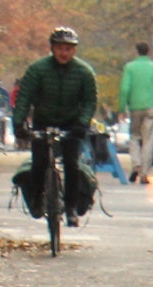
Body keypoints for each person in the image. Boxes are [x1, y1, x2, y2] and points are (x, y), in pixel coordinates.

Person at [12, 27, 98, 224]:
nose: (64, 53)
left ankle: (70, 208)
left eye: (68, 49)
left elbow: (89, 102)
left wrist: (82, 123)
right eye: (60, 48)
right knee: (39, 163)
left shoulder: (84, 72)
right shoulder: (37, 69)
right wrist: (19, 124)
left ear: (74, 51)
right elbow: (24, 98)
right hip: (43, 120)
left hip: (71, 123)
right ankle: (36, 200)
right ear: (52, 49)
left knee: (71, 164)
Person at [118, 42, 153, 183]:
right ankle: (144, 173)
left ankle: (136, 165)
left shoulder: (129, 67)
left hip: (135, 107)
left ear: (136, 51)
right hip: (152, 107)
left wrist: (122, 108)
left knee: (134, 137)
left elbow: (124, 89)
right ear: (148, 51)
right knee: (149, 140)